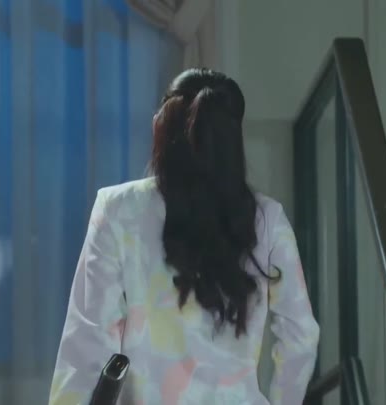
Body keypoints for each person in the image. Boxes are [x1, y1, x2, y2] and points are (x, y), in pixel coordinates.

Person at [49, 68, 319, 405]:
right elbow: (300, 336)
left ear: (160, 128)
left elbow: (88, 343)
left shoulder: (118, 209)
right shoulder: (267, 218)